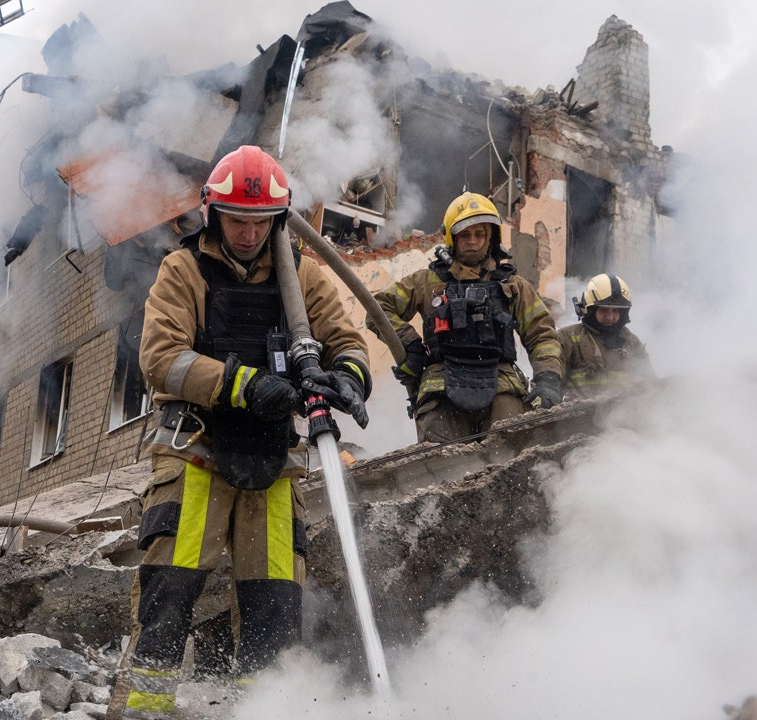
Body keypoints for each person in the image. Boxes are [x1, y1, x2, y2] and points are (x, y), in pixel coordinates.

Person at [110, 146, 371, 719]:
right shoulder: (183, 270)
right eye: (236, 221)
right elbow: (161, 359)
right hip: (195, 450)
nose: (249, 234)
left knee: (274, 603)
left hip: (275, 459)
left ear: (278, 218)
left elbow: (346, 340)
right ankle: (144, 708)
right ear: (213, 213)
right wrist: (244, 385)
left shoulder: (302, 276)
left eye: (261, 222)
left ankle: (265, 709)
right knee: (170, 588)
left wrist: (348, 377)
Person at [370, 191, 562, 443]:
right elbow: (377, 309)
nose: (472, 241)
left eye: (479, 234)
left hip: (503, 386)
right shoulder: (426, 282)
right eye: (464, 235)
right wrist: (410, 345)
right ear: (452, 238)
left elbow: (542, 335)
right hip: (441, 388)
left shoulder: (513, 286)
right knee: (440, 460)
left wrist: (547, 379)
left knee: (510, 452)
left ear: (490, 237)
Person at [557, 273, 654, 399]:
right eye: (604, 310)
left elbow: (650, 384)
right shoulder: (567, 339)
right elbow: (550, 380)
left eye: (615, 311)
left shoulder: (631, 341)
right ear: (589, 310)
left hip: (625, 410)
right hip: (577, 411)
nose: (610, 317)